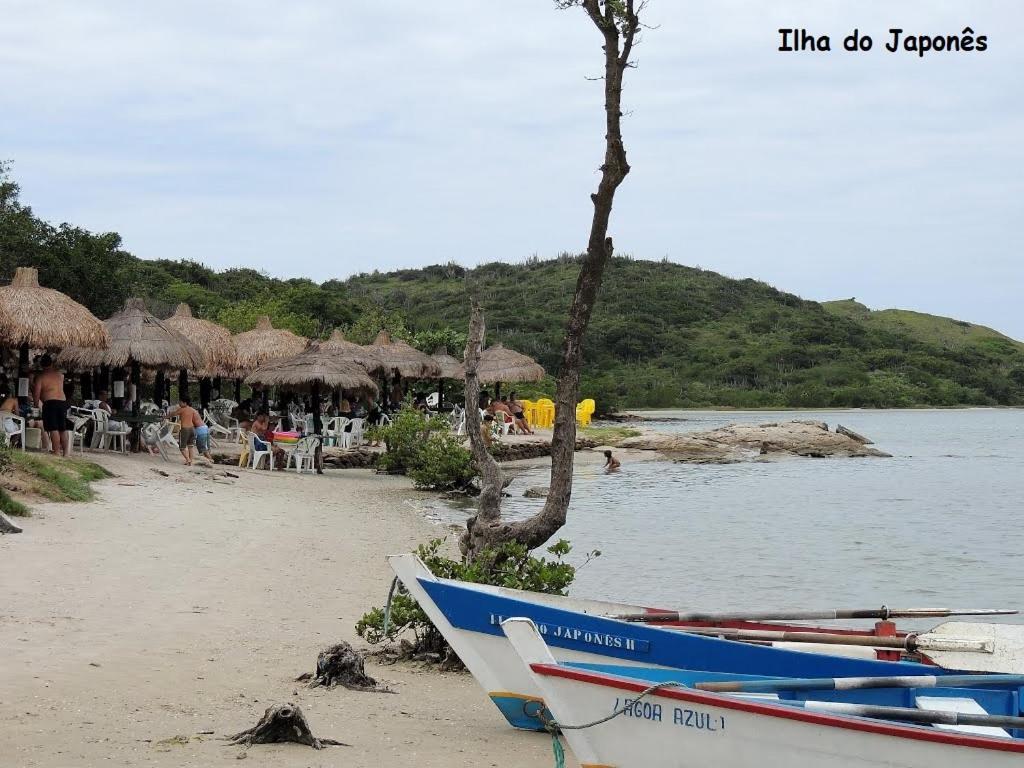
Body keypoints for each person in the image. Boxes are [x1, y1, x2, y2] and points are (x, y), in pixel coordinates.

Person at [32, 354, 68, 457]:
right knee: (62, 428)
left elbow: (37, 394)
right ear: (51, 363)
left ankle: (56, 452)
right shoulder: (60, 375)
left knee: (53, 428)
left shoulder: (41, 377)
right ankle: (66, 453)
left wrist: (35, 404)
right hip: (62, 402)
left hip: (50, 403)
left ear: (42, 365)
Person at [168, 396, 203, 465]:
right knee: (190, 446)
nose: (179, 404)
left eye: (180, 402)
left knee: (182, 447)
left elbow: (173, 414)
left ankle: (188, 460)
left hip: (185, 429)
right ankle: (190, 461)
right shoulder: (193, 410)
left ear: (185, 403)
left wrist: (164, 417)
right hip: (192, 429)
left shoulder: (182, 409)